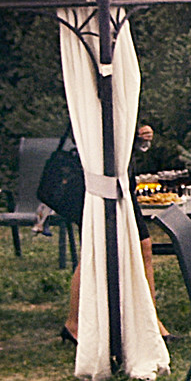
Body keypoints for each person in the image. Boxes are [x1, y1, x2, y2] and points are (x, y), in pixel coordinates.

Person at [62, 124, 173, 344]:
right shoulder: (88, 100)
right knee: (96, 250)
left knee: (144, 246)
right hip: (97, 181)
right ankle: (74, 324)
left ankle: (150, 320)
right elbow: (97, 136)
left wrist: (141, 135)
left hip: (122, 182)